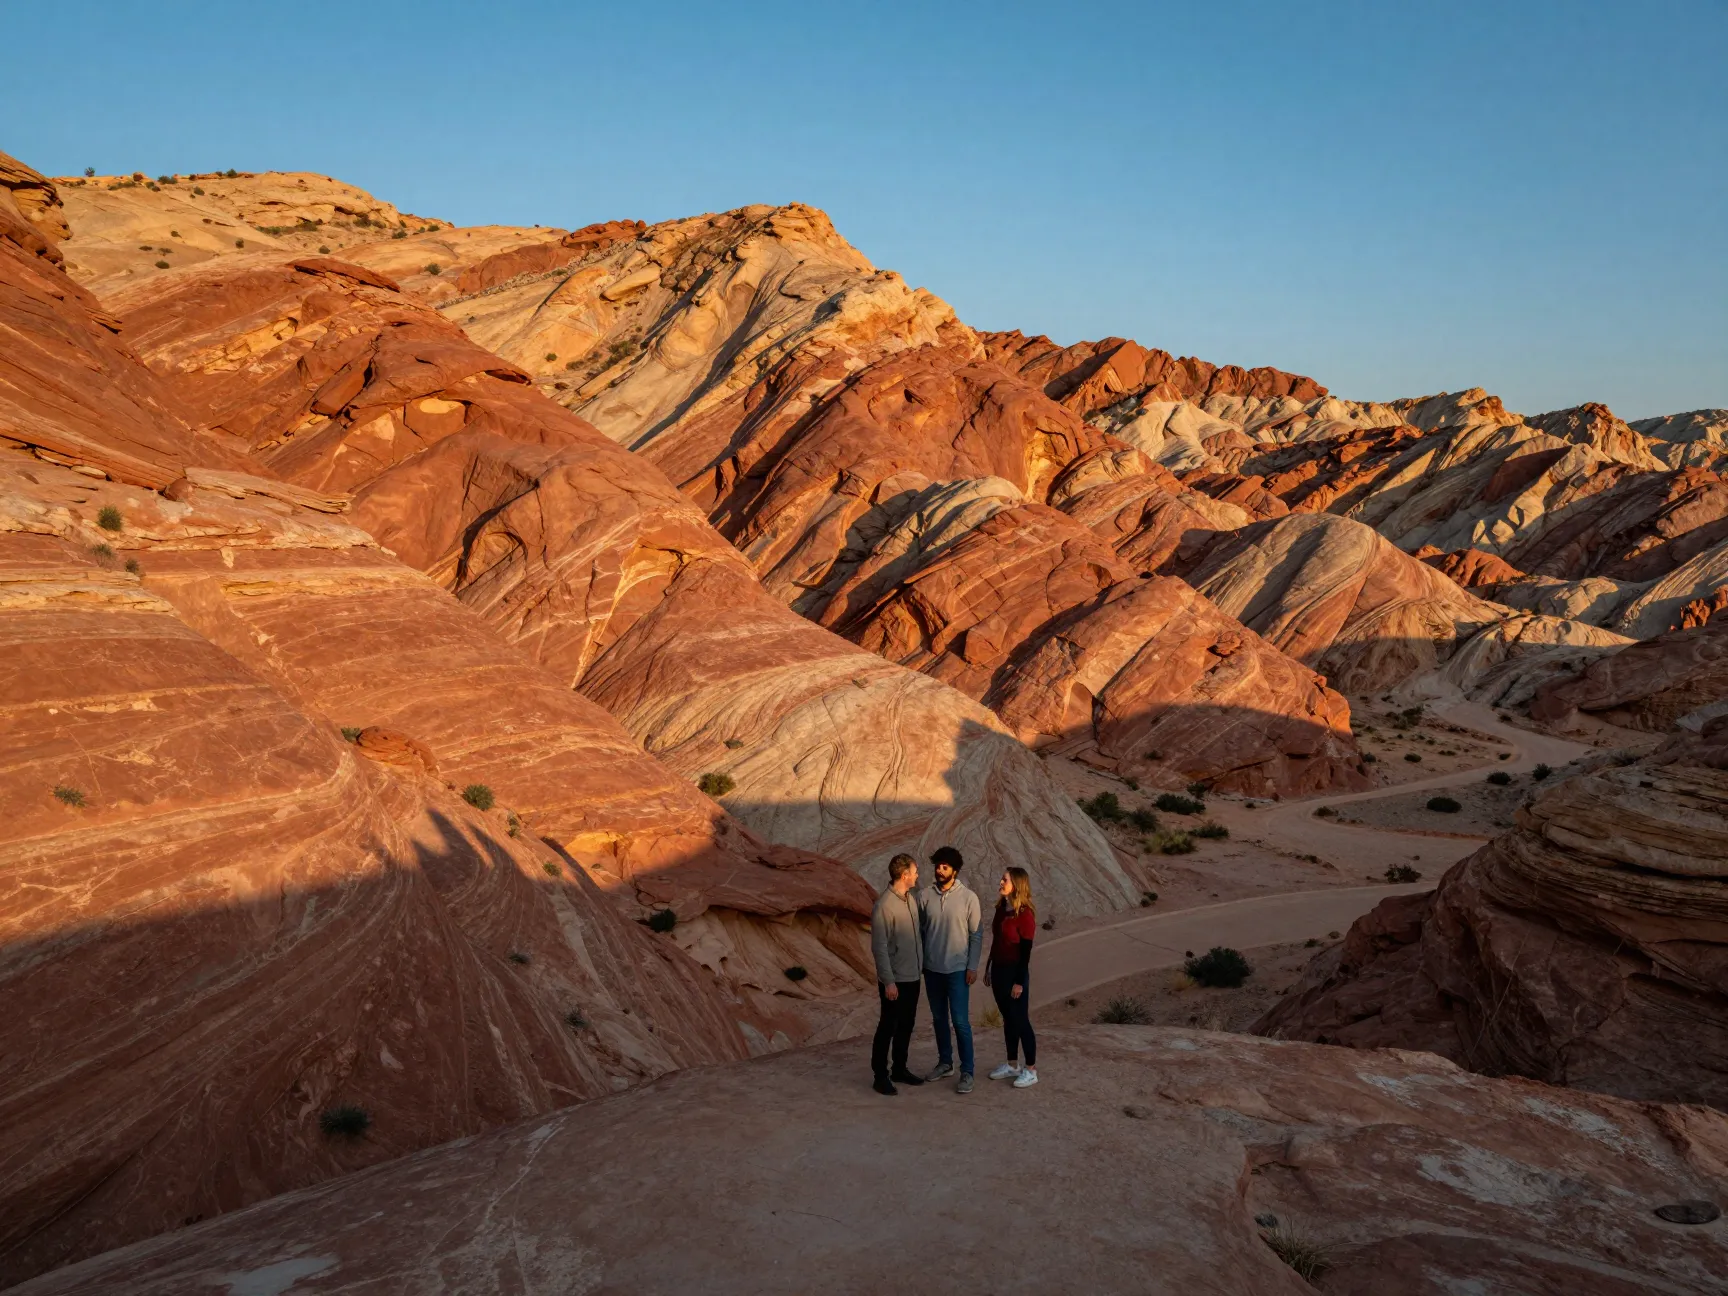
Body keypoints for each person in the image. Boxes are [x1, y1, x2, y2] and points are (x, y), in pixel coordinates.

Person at [915, 845, 983, 1094]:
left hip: (957, 970)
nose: (939, 870)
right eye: (937, 866)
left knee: (961, 1022)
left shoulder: (969, 898)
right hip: (932, 969)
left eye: (945, 866)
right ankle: (945, 1063)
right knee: (939, 1019)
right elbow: (920, 932)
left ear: (955, 870)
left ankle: (968, 1071)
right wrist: (921, 962)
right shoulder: (924, 896)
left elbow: (976, 934)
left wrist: (972, 966)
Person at [869, 853, 927, 1095]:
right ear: (904, 875)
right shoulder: (884, 906)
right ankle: (880, 1076)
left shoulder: (910, 899)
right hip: (895, 981)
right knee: (888, 1026)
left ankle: (899, 1069)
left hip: (913, 976)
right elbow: (879, 948)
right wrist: (889, 982)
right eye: (914, 872)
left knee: (906, 1024)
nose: (917, 875)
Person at [984, 866, 1038, 1088]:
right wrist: (988, 967)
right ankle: (1012, 1064)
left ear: (1017, 884)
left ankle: (1031, 1070)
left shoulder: (1024, 914)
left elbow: (1025, 953)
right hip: (998, 971)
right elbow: (997, 942)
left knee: (1020, 1020)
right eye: (1001, 877)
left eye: (1005, 879)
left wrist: (1019, 982)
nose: (1001, 882)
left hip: (1015, 972)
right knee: (1008, 1019)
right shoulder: (1001, 909)